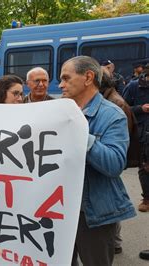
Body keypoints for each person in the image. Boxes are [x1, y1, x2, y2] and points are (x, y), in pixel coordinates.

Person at [58, 56, 136, 266]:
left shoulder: (112, 115)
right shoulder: (59, 111)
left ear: (88, 77)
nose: (60, 85)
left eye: (66, 78)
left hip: (93, 214)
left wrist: (81, 133)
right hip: (59, 210)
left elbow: (114, 164)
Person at [100, 67, 139, 255]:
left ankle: (114, 242)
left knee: (109, 203)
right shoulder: (110, 100)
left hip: (114, 162)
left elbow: (123, 141)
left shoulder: (116, 105)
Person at [123, 62, 149, 212]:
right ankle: (146, 199)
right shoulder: (134, 86)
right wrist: (141, 109)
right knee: (144, 166)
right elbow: (123, 108)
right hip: (143, 132)